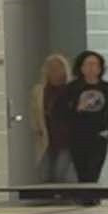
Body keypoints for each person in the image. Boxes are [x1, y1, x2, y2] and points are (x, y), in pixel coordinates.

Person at [61, 49, 108, 183]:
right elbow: (63, 111)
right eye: (88, 64)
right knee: (82, 168)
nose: (91, 68)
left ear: (100, 68)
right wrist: (77, 108)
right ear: (81, 67)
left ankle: (92, 196)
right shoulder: (73, 87)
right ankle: (85, 197)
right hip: (78, 133)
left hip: (100, 133)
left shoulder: (106, 87)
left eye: (95, 65)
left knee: (95, 167)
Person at [31, 52, 74, 183]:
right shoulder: (38, 91)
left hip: (67, 140)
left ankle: (64, 201)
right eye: (51, 68)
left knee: (61, 173)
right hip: (47, 140)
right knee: (45, 175)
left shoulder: (71, 89)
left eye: (58, 68)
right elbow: (34, 113)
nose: (54, 72)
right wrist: (36, 128)